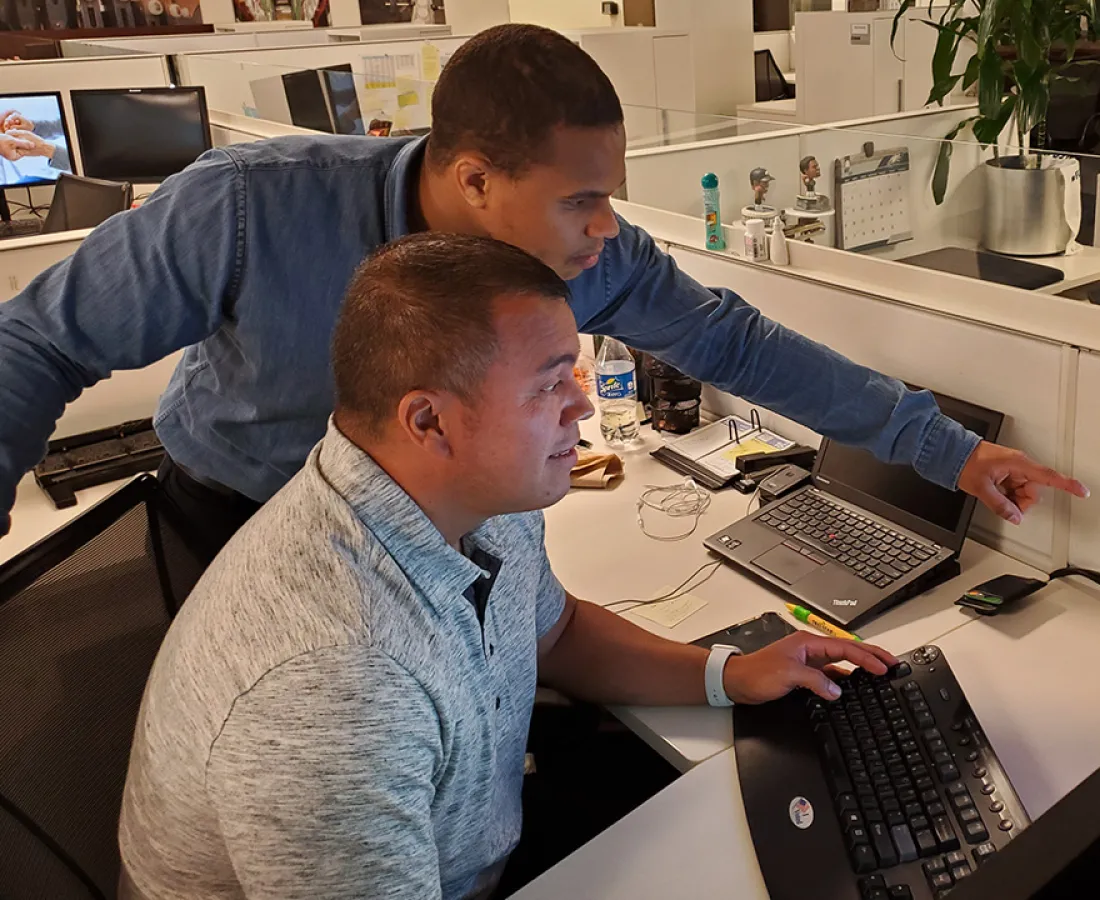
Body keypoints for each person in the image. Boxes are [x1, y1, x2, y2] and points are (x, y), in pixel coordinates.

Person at [0, 24, 1087, 554]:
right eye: (580, 201)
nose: (605, 231)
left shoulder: (585, 254)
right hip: (243, 518)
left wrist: (948, 447)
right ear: (473, 179)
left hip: (439, 536)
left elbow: (737, 348)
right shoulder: (246, 207)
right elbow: (34, 346)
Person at [118, 232, 899, 900]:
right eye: (549, 384)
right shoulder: (336, 688)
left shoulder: (475, 492)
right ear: (429, 420)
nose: (582, 408)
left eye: (575, 373)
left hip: (479, 849)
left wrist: (728, 675)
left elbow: (553, 635)